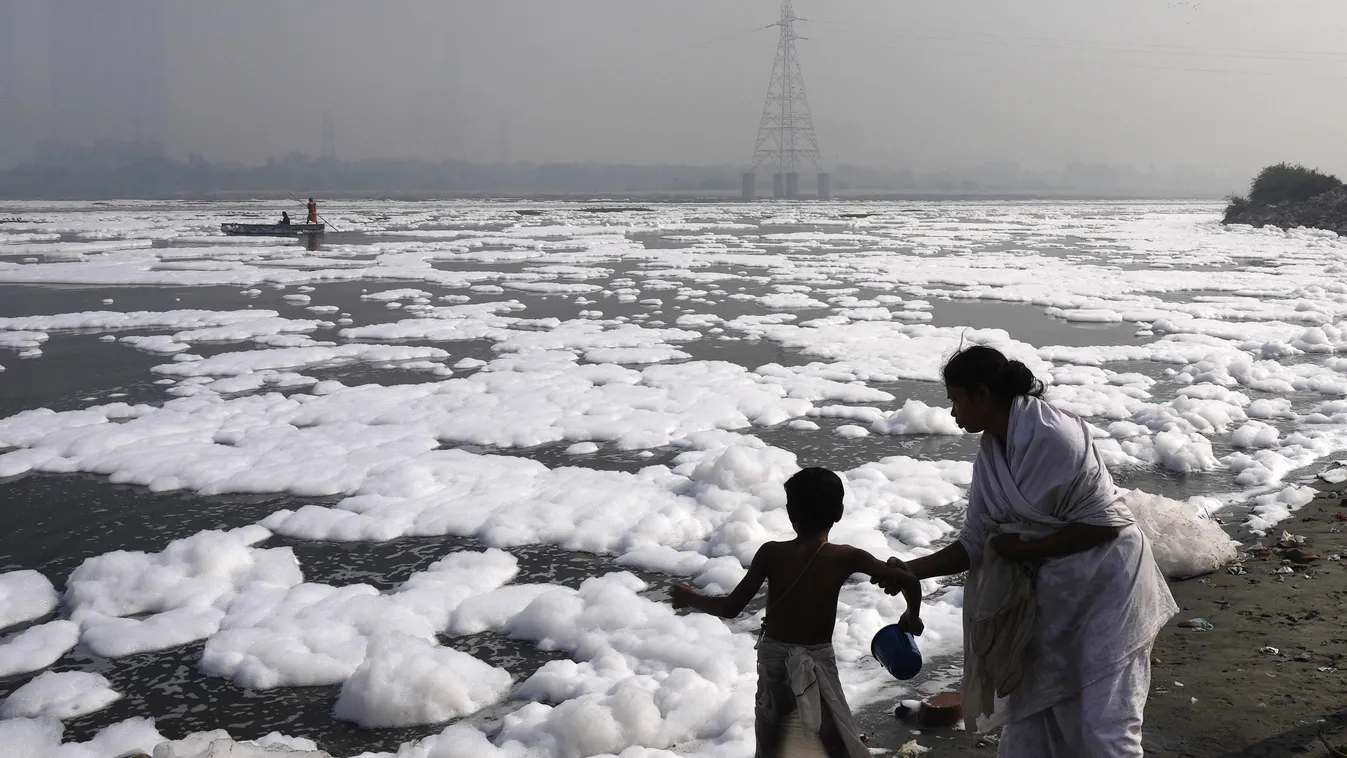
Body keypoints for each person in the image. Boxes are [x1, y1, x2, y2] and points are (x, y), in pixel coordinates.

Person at [874, 345, 1177, 758]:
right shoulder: (992, 452)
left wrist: (1023, 549)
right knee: (1034, 714)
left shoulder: (1054, 436)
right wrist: (911, 569)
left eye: (956, 400)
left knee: (1104, 721)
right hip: (1055, 592)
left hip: (1108, 587)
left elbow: (1106, 524)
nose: (952, 412)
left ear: (981, 394)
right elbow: (976, 543)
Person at [671, 467, 924, 758]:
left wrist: (691, 598)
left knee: (772, 731)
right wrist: (911, 617)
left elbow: (730, 608)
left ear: (791, 512)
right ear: (839, 512)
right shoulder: (846, 557)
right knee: (832, 731)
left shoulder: (771, 553)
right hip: (817, 659)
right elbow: (909, 581)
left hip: (775, 660)